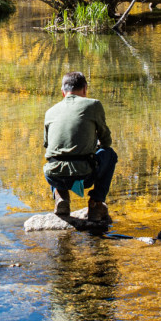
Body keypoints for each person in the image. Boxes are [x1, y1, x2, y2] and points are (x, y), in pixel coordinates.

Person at [43, 71, 117, 222]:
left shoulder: (50, 112)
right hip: (84, 176)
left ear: (63, 92)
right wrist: (94, 146)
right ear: (85, 89)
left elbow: (47, 145)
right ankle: (96, 204)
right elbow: (106, 141)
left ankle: (61, 196)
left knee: (55, 158)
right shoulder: (93, 105)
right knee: (109, 154)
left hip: (54, 176)